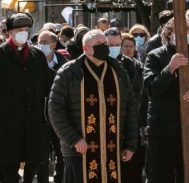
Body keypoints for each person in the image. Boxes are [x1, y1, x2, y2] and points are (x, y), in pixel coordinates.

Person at [48, 29, 138, 183]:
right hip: (79, 150)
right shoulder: (69, 72)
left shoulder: (118, 71)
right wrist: (74, 139)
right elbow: (55, 110)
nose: (104, 47)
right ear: (86, 48)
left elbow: (130, 108)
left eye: (105, 43)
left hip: (112, 148)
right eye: (99, 44)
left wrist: (130, 144)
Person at [0, 13, 52, 183]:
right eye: (20, 30)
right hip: (7, 120)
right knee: (9, 164)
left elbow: (47, 86)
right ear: (10, 32)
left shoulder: (37, 56)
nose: (24, 33)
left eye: (27, 30)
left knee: (33, 159)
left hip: (33, 119)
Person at [144, 18, 189, 182]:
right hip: (162, 129)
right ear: (169, 34)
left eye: (188, 32)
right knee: (160, 176)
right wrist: (170, 68)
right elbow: (151, 89)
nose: (184, 35)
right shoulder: (155, 56)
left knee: (187, 175)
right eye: (179, 32)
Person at [37, 30, 68, 183]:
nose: (42, 46)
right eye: (40, 42)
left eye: (45, 42)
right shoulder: (33, 62)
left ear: (54, 44)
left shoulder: (65, 64)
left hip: (59, 115)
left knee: (62, 153)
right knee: (41, 154)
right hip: (38, 117)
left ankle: (59, 179)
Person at [116, 31, 146, 183]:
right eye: (124, 46)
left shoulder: (140, 67)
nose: (128, 49)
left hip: (136, 119)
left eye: (131, 46)